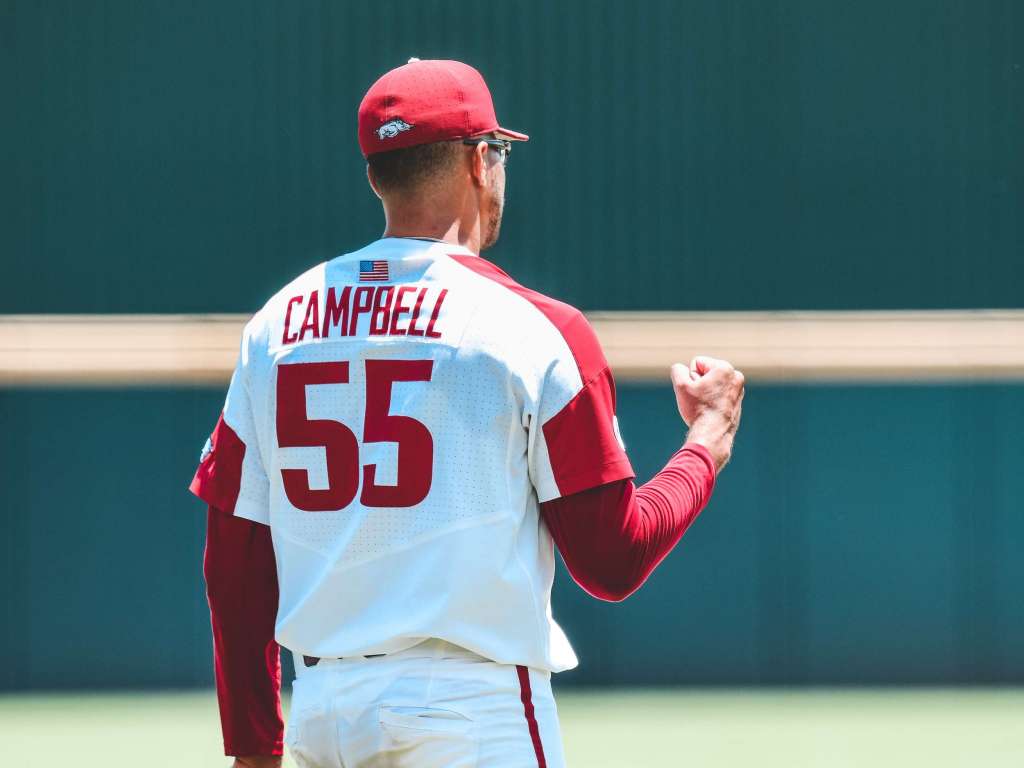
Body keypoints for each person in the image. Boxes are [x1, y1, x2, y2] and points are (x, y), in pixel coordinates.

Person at [190, 58, 744, 768]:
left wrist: (253, 747)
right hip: (471, 711)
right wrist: (705, 442)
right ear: (479, 161)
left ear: (375, 177)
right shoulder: (536, 328)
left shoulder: (276, 326)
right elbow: (613, 559)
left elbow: (234, 560)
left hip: (325, 713)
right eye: (500, 150)